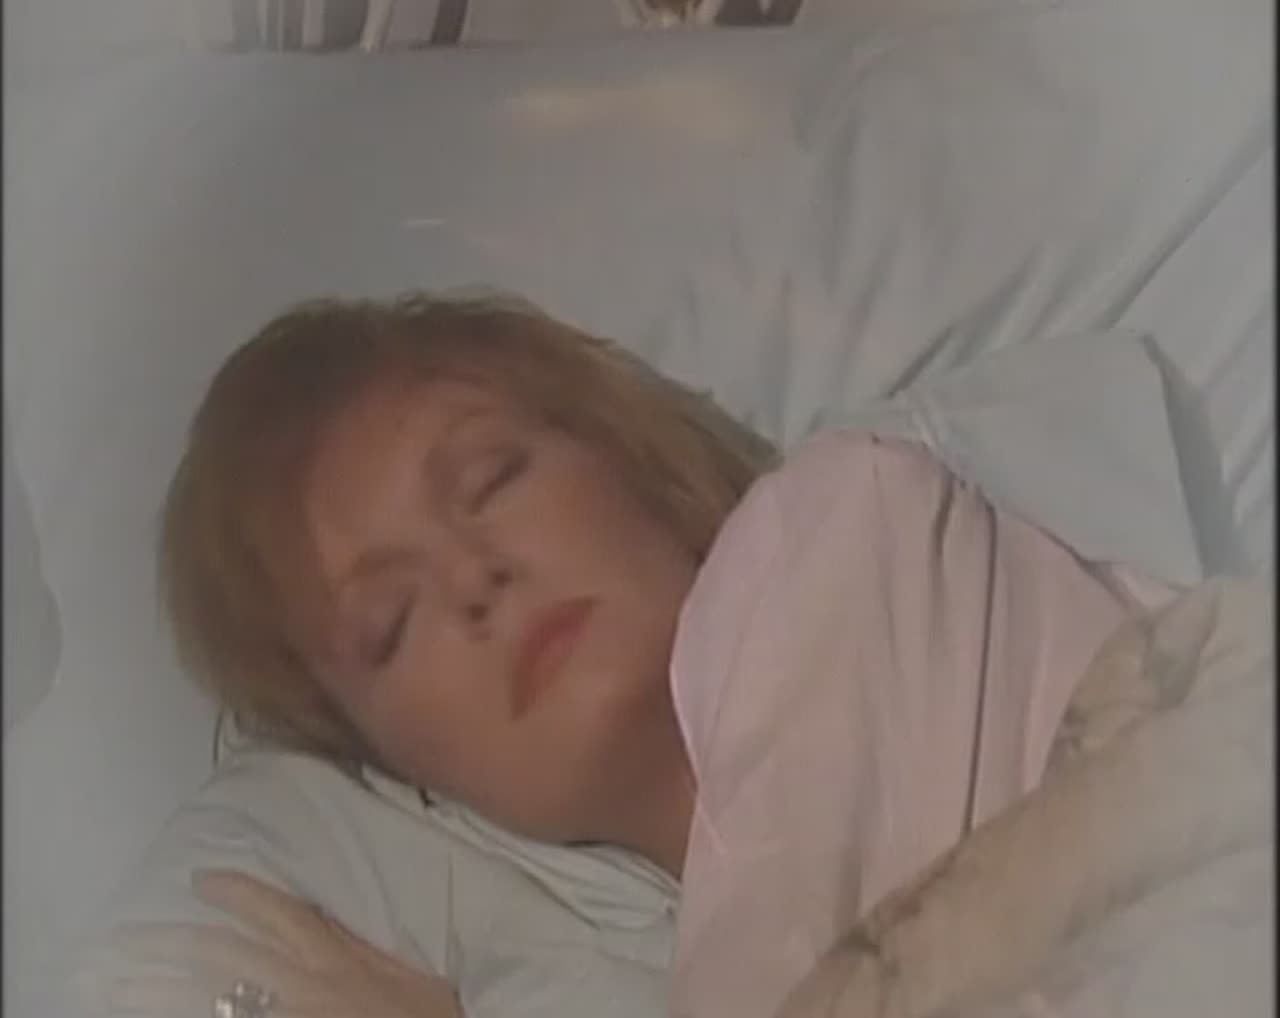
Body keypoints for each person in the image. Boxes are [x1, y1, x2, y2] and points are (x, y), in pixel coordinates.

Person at [76, 291, 1163, 1018]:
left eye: (492, 478)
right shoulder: (687, 957)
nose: (473, 578)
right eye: (390, 623)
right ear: (405, 771)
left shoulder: (852, 533)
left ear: (623, 457)